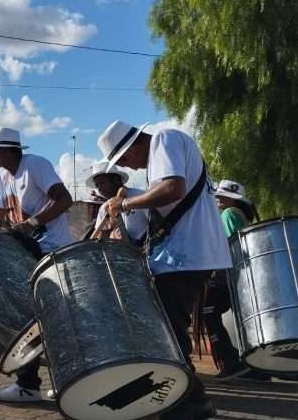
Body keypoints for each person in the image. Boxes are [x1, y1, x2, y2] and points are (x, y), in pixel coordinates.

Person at [99, 120, 231, 420]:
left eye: (123, 159)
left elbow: (173, 188)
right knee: (167, 332)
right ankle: (190, 399)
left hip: (185, 257)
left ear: (133, 144)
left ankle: (186, 402)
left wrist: (126, 204)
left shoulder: (163, 139)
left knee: (168, 334)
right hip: (184, 256)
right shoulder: (162, 150)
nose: (127, 167)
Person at [0, 126, 73, 403]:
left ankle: (67, 381)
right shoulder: (2, 178)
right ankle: (28, 385)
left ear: (8, 150)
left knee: (56, 321)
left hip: (50, 252)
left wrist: (33, 223)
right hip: (23, 255)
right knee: (25, 321)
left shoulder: (35, 165)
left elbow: (64, 199)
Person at [202, 179, 269, 381]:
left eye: (222, 196)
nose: (218, 199)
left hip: (227, 276)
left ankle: (230, 362)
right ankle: (256, 367)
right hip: (241, 277)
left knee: (209, 311)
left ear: (232, 200)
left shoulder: (229, 214)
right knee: (242, 321)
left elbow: (234, 244)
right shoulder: (240, 215)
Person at [87, 161, 148, 243]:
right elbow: (101, 238)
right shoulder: (104, 209)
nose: (99, 189)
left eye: (102, 183)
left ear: (116, 180)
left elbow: (156, 225)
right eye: (97, 185)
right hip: (124, 253)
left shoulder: (139, 196)